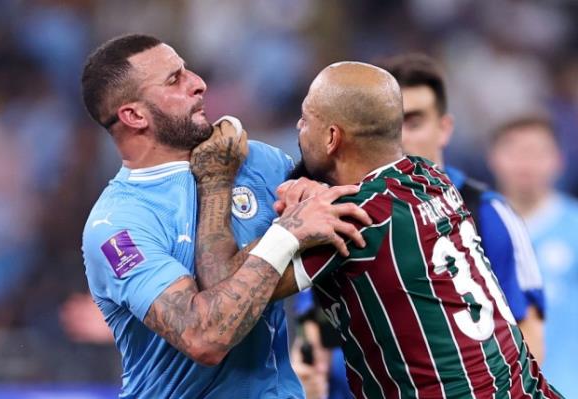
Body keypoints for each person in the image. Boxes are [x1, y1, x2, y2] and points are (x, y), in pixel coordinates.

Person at [201, 61, 562, 398]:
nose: (298, 127)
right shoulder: (430, 177)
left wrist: (218, 182)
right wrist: (312, 192)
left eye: (305, 118)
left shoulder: (350, 222)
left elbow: (225, 294)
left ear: (331, 137)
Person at [80, 34, 369, 398]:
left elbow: (345, 218)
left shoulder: (256, 161)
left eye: (187, 70)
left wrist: (314, 192)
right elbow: (205, 338)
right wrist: (288, 233)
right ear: (134, 115)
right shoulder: (117, 225)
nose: (198, 83)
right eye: (174, 80)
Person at [376, 54, 545, 362]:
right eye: (390, 125)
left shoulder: (489, 214)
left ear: (444, 128)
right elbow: (317, 335)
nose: (400, 138)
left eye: (414, 123)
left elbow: (528, 336)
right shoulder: (343, 217)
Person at [488, 115, 578, 398]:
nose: (525, 163)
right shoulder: (469, 226)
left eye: (537, 152)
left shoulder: (574, 226)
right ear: (493, 158)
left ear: (559, 160)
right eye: (514, 151)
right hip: (495, 388)